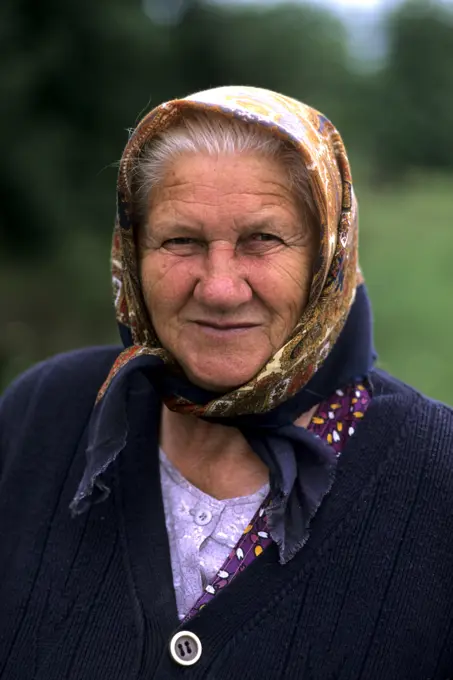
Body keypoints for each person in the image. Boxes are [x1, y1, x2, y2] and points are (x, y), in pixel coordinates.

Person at [1, 86, 452, 680]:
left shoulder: (437, 477)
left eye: (261, 240)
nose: (218, 288)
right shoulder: (41, 413)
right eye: (180, 240)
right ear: (131, 253)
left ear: (328, 257)